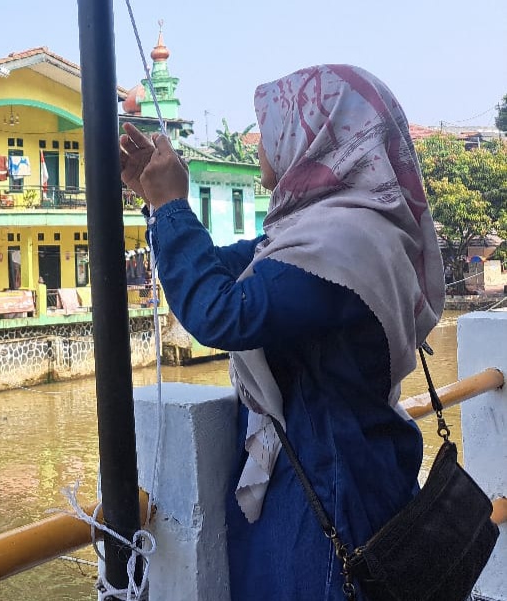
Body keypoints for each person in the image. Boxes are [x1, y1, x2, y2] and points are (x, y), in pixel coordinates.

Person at [119, 64, 443, 599]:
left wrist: (172, 205)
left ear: (312, 132)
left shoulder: (343, 243)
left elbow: (222, 314)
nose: (260, 141)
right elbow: (226, 270)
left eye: (269, 125)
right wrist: (161, 209)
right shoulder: (325, 229)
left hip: (329, 485)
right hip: (345, 463)